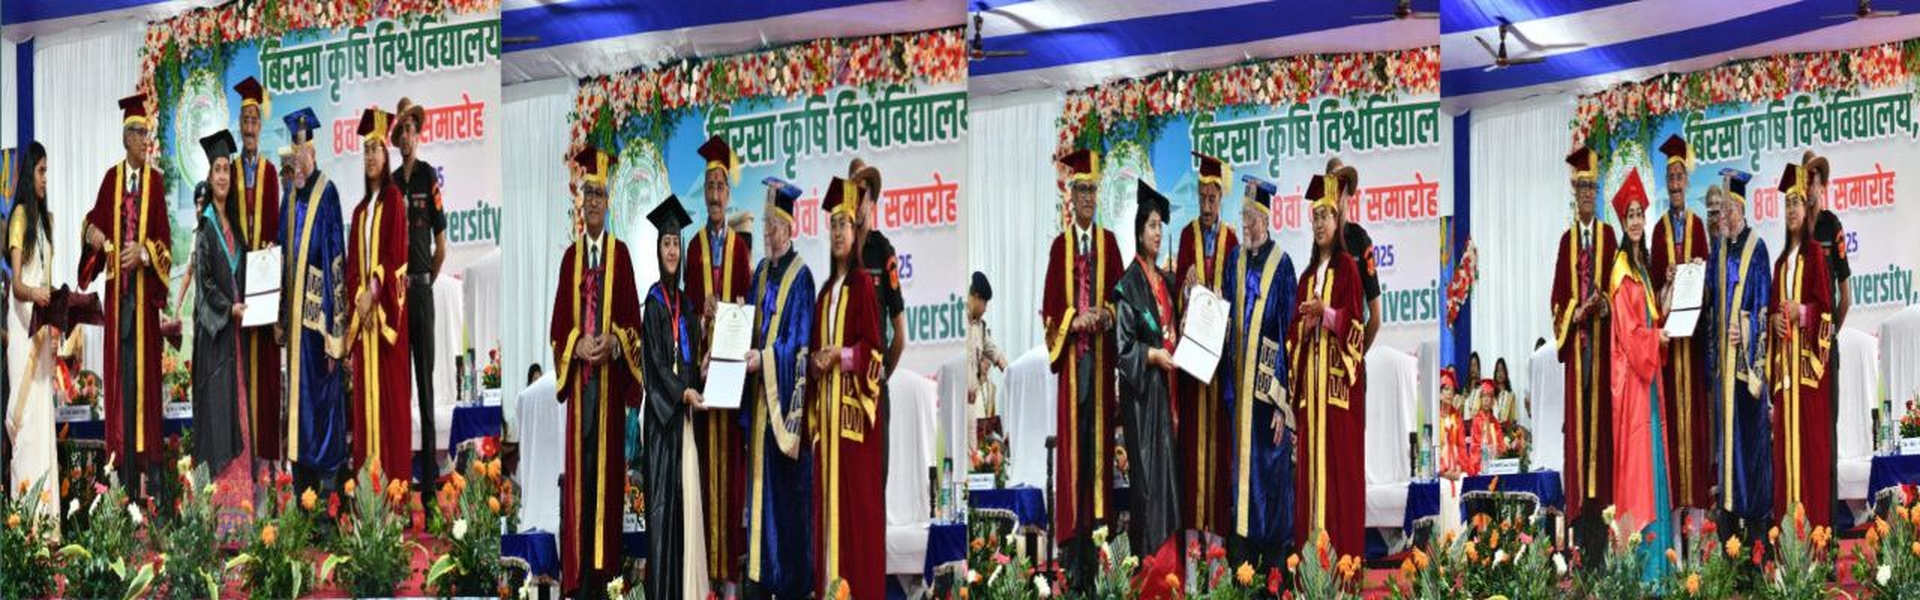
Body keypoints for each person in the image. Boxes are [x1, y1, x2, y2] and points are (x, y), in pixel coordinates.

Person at [551, 146, 650, 598]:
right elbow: (557, 326)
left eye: (599, 194)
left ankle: (605, 578)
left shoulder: (621, 255)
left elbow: (634, 324)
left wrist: (613, 342)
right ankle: (579, 580)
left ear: (608, 203)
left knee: (606, 489)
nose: (593, 201)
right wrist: (576, 343)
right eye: (587, 193)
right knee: (581, 485)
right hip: (581, 394)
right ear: (581, 201)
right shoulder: (571, 259)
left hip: (608, 392)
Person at [79, 93, 172, 498]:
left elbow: (166, 243)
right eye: (140, 133)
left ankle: (153, 488)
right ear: (127, 137)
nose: (145, 140)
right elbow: (91, 228)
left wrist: (146, 254)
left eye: (147, 133)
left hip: (144, 306)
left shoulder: (156, 183)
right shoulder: (111, 180)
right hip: (119, 306)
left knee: (145, 395)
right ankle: (126, 487)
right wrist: (92, 235)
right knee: (122, 393)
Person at [1040, 148, 1121, 589]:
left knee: (1098, 458)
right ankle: (1073, 561)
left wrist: (1105, 314)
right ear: (1070, 196)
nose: (1087, 197)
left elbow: (1122, 302)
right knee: (1075, 458)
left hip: (1101, 367)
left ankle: (1099, 554)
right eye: (1081, 190)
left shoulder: (1109, 244)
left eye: (1092, 190)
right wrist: (1075, 320)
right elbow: (1051, 310)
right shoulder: (1060, 247)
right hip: (1074, 369)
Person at [810, 176, 887, 599]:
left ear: (856, 232)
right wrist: (816, 361)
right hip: (827, 429)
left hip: (855, 429)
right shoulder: (824, 294)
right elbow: (814, 354)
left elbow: (874, 353)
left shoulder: (863, 288)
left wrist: (839, 356)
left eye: (845, 224)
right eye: (833, 224)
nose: (839, 232)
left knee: (856, 520)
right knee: (827, 521)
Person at [741, 177, 815, 600]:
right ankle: (756, 579)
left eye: (773, 225)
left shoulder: (802, 278)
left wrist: (764, 359)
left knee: (783, 506)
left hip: (782, 412)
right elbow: (749, 326)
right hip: (757, 405)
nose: (767, 233)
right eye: (765, 224)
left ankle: (785, 585)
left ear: (790, 228)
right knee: (758, 500)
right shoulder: (761, 272)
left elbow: (798, 345)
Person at [1220, 174, 1296, 568]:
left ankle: (1274, 574)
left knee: (1270, 480)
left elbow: (1290, 336)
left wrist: (1283, 405)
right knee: (1240, 483)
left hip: (1267, 399)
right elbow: (1223, 319)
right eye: (1243, 216)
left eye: (1252, 217)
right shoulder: (1233, 260)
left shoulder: (1282, 265)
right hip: (1238, 396)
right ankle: (1243, 572)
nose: (1246, 224)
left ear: (1266, 220)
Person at [1289, 173, 1367, 557]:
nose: (1320, 223)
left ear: (1338, 220)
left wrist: (1327, 314)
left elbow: (1356, 326)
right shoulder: (1305, 278)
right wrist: (1304, 329)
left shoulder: (1348, 267)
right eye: (1315, 216)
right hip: (1311, 403)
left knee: (1340, 484)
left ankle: (1342, 575)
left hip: (1338, 401)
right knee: (1309, 486)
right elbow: (1292, 339)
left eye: (1326, 215)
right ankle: (1310, 577)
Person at [1606, 170, 1675, 584]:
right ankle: (1642, 573)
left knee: (1652, 469)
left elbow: (1650, 319)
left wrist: (1668, 292)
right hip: (1634, 386)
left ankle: (1659, 569)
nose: (1635, 221)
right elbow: (1631, 337)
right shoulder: (1622, 271)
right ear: (1622, 221)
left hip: (1646, 384)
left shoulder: (1642, 269)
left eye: (1639, 214)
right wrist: (1657, 338)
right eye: (1630, 215)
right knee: (1638, 474)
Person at [276, 106, 350, 497]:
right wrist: (277, 316)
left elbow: (337, 260)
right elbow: (278, 259)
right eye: (293, 154)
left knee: (323, 409)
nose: (298, 162)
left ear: (313, 153)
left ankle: (328, 500)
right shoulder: (289, 199)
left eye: (303, 154)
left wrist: (335, 336)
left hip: (318, 326)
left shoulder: (328, 193)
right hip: (294, 327)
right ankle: (303, 496)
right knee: (299, 412)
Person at [688, 135, 750, 588]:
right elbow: (684, 314)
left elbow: (747, 313)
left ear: (729, 194)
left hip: (731, 378)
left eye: (720, 186)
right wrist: (700, 316)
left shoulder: (740, 250)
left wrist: (732, 313)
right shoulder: (692, 248)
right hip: (703, 375)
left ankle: (729, 579)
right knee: (704, 471)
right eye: (709, 186)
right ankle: (704, 577)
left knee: (730, 475)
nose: (713, 194)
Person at [1549, 145, 1616, 567]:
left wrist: (1604, 304)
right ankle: (1581, 543)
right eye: (1582, 187)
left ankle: (1603, 534)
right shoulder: (1566, 241)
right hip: (1579, 355)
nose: (1588, 193)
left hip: (1603, 354)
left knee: (1601, 440)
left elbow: (1620, 291)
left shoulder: (1609, 238)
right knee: (1579, 440)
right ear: (1574, 193)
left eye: (1592, 187)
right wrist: (1576, 311)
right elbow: (1556, 298)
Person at [190, 130, 256, 535]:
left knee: (238, 415)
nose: (222, 176)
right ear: (209, 173)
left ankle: (241, 514)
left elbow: (243, 275)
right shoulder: (206, 226)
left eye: (227, 170)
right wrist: (228, 308)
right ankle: (218, 518)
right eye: (217, 169)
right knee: (218, 418)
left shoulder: (233, 224)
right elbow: (205, 284)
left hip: (235, 338)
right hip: (215, 339)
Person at [1113, 180, 1182, 556]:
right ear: (1139, 232)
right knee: (1149, 486)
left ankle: (1173, 568)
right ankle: (1152, 569)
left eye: (1160, 226)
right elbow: (1123, 349)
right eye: (1152, 226)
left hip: (1170, 395)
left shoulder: (1166, 282)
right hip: (1144, 401)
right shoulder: (1128, 286)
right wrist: (1152, 356)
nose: (1157, 232)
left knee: (1171, 482)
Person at [345, 108, 412, 482]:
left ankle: (394, 492)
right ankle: (367, 497)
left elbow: (394, 255)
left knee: (390, 406)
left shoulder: (394, 200)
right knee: (364, 410)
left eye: (376, 149)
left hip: (387, 328)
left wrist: (373, 294)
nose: (370, 156)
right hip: (365, 324)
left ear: (387, 155)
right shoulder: (359, 212)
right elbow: (353, 266)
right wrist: (359, 298)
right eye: (366, 149)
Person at [1174, 152, 1239, 539]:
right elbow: (1178, 296)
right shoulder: (1186, 236)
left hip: (1220, 362)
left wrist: (1222, 298)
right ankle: (1192, 537)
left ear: (1221, 197)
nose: (1207, 205)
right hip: (1193, 361)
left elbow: (1237, 292)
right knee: (1192, 446)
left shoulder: (1232, 238)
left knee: (1219, 447)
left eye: (1212, 197)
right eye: (1201, 197)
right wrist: (1186, 289)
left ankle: (1216, 541)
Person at [1649, 135, 1712, 517]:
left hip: (1694, 348)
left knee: (1696, 430)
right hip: (1671, 352)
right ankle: (1673, 519)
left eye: (1679, 176)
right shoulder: (1658, 232)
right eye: (1670, 177)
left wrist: (1697, 274)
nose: (1674, 183)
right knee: (1672, 429)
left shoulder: (1698, 227)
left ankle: (1700, 523)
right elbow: (1652, 295)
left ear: (1687, 180)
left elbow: (1707, 288)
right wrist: (1667, 281)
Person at [1771, 162, 1835, 529]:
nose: (1792, 209)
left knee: (1811, 459)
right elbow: (1772, 314)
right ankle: (1787, 551)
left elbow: (1826, 312)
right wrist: (1776, 320)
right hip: (1786, 384)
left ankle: (1815, 546)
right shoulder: (1780, 264)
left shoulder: (1815, 256)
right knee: (1785, 463)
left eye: (1797, 202)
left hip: (1809, 382)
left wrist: (1803, 313)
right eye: (1787, 203)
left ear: (1805, 207)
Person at [1708, 169, 1771, 545]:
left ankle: (1757, 543)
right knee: (1726, 459)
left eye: (1731, 209)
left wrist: (1744, 336)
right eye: (1722, 210)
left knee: (1750, 453)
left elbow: (1763, 310)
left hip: (1747, 377)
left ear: (1743, 210)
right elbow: (1709, 305)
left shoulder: (1756, 249)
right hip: (1724, 377)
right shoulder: (1718, 251)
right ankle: (1730, 539)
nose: (1726, 216)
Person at [392, 97, 448, 487]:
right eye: (400, 132)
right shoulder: (392, 183)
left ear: (417, 135)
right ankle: (400, 480)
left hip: (423, 295)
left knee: (426, 393)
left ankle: (428, 486)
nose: (405, 137)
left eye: (410, 130)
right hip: (397, 300)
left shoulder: (428, 176)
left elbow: (441, 245)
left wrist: (426, 277)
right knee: (400, 392)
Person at [230, 77, 282, 476]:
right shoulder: (228, 171)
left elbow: (275, 232)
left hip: (262, 288)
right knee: (238, 372)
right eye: (245, 120)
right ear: (239, 124)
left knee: (263, 372)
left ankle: (264, 463)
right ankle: (239, 460)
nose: (249, 127)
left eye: (254, 120)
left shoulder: (270, 173)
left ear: (260, 126)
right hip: (236, 286)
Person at [7, 141, 59, 537]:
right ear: (29, 173)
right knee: (24, 423)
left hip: (42, 330)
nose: (45, 179)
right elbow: (18, 285)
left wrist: (57, 318)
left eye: (46, 172)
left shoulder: (44, 223)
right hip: (24, 327)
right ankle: (24, 524)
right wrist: (38, 295)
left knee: (44, 424)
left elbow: (47, 283)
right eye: (41, 171)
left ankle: (47, 526)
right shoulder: (21, 217)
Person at [850, 158, 906, 486]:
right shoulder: (840, 254)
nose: (857, 202)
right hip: (845, 390)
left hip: (873, 389)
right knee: (849, 488)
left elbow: (900, 334)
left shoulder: (883, 251)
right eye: (852, 194)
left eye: (863, 194)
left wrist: (881, 372)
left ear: (871, 201)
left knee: (874, 484)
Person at [1802, 151, 1846, 526]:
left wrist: (1832, 334)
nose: (1810, 186)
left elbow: (1845, 295)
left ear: (1822, 185)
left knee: (1827, 442)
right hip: (1801, 353)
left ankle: (1828, 530)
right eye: (1805, 180)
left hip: (1826, 351)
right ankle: (1806, 528)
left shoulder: (1832, 226)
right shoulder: (1797, 230)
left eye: (1815, 180)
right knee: (1805, 441)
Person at [966, 271, 1007, 421]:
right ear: (976, 297)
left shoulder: (980, 328)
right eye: (984, 303)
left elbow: (996, 354)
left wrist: (1011, 375)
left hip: (972, 404)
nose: (985, 309)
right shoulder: (957, 323)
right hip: (958, 402)